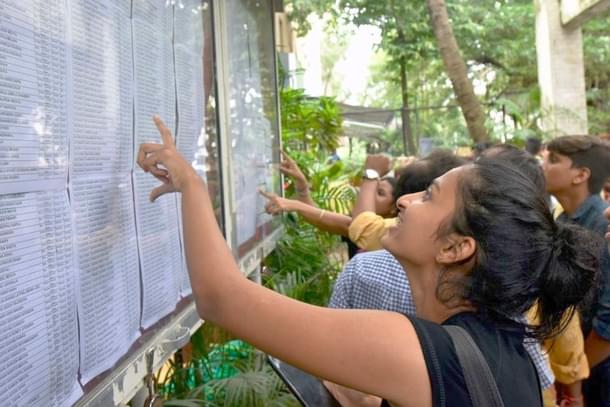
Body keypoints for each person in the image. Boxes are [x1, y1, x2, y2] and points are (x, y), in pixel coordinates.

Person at [138, 116, 598, 407]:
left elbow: (222, 299)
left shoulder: (422, 350)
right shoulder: (505, 348)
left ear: (456, 249)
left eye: (429, 196)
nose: (405, 201)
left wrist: (193, 186)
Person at [543, 135, 610, 406]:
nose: (543, 165)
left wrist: (571, 380)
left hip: (598, 372)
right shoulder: (561, 221)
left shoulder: (603, 227)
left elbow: (607, 328)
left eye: (554, 160)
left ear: (581, 175)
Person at [349, 151, 466, 251]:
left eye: (428, 195)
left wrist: (372, 173)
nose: (402, 201)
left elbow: (363, 226)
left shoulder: (409, 231)